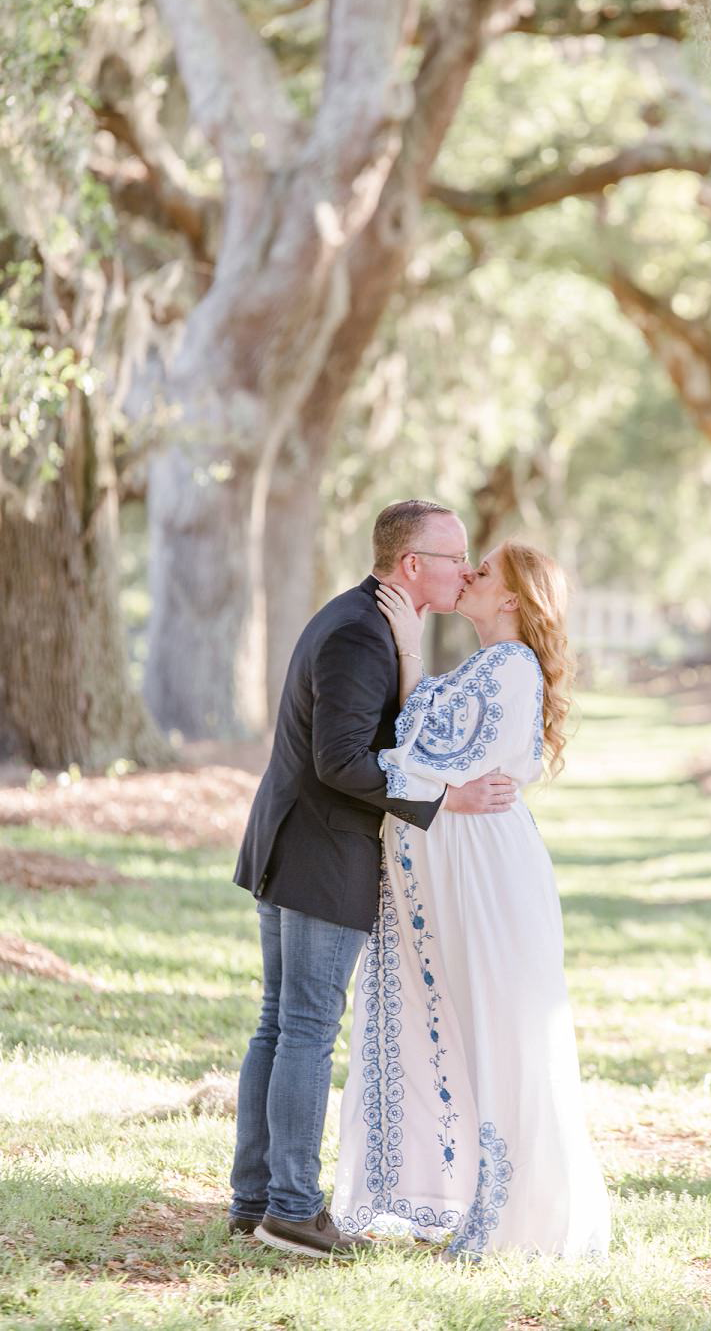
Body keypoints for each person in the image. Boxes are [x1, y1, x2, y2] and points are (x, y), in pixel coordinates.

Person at [228, 500, 518, 1258]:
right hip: (320, 855)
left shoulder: (372, 623)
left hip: (294, 845)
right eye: (456, 557)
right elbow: (341, 761)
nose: (468, 568)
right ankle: (290, 1208)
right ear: (413, 564)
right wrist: (446, 798)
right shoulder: (362, 634)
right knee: (304, 1028)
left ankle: (254, 1198)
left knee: (280, 1022)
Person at [332, 540, 611, 1258]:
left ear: (512, 598)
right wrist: (410, 648)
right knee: (457, 1022)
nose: (468, 575)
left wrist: (373, 762)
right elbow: (422, 739)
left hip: (487, 871)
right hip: (452, 864)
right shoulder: (486, 667)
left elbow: (426, 756)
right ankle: (455, 1197)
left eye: (481, 571)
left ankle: (517, 1218)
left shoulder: (511, 667)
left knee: (503, 1026)